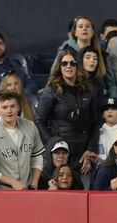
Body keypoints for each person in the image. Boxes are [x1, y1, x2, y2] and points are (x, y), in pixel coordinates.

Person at [35, 47, 100, 181]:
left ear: (78, 66)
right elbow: (39, 121)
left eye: (73, 63)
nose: (68, 66)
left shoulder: (88, 90)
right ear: (59, 67)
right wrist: (54, 147)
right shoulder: (51, 91)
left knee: (84, 196)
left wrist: (90, 150)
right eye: (64, 63)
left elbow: (95, 122)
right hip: (60, 154)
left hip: (83, 155)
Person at [0, 91, 45, 190]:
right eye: (4, 107)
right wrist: (12, 182)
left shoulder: (30, 126)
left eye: (12, 106)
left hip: (27, 189)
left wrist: (34, 184)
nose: (9, 111)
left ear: (18, 107)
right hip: (0, 191)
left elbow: (37, 157)